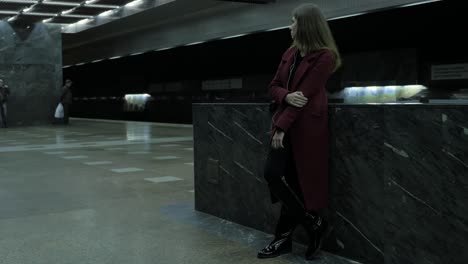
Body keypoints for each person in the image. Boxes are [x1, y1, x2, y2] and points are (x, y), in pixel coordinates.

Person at [258, 3, 341, 260]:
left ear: (305, 25)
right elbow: (273, 86)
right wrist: (285, 95)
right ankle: (314, 223)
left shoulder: (324, 57)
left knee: (292, 182)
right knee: (274, 175)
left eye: (293, 21)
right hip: (287, 121)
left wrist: (281, 128)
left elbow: (302, 100)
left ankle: (282, 240)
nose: (289, 25)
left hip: (306, 129)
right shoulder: (290, 53)